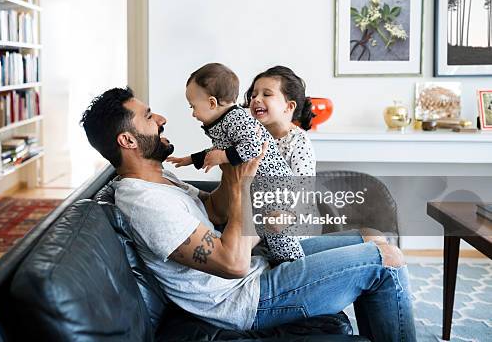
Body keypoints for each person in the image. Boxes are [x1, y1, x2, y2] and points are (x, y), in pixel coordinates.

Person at [80, 86, 416, 341]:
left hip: (258, 270)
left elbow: (214, 209)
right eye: (149, 116)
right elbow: (233, 264)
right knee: (385, 260)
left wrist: (234, 163)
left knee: (370, 236)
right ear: (128, 139)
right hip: (245, 299)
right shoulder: (144, 201)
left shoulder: (160, 178)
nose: (161, 119)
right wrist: (246, 189)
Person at [166, 62, 304, 262]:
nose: (193, 113)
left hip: (275, 186)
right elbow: (219, 149)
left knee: (280, 234)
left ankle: (295, 265)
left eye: (193, 106)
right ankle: (280, 262)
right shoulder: (223, 121)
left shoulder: (236, 118)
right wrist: (190, 159)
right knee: (271, 236)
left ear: (212, 103)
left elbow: (253, 147)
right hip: (262, 189)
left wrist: (222, 157)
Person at [245, 66, 316, 177]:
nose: (256, 99)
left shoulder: (298, 142)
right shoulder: (251, 132)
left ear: (289, 106)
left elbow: (303, 190)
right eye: (254, 96)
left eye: (267, 94)